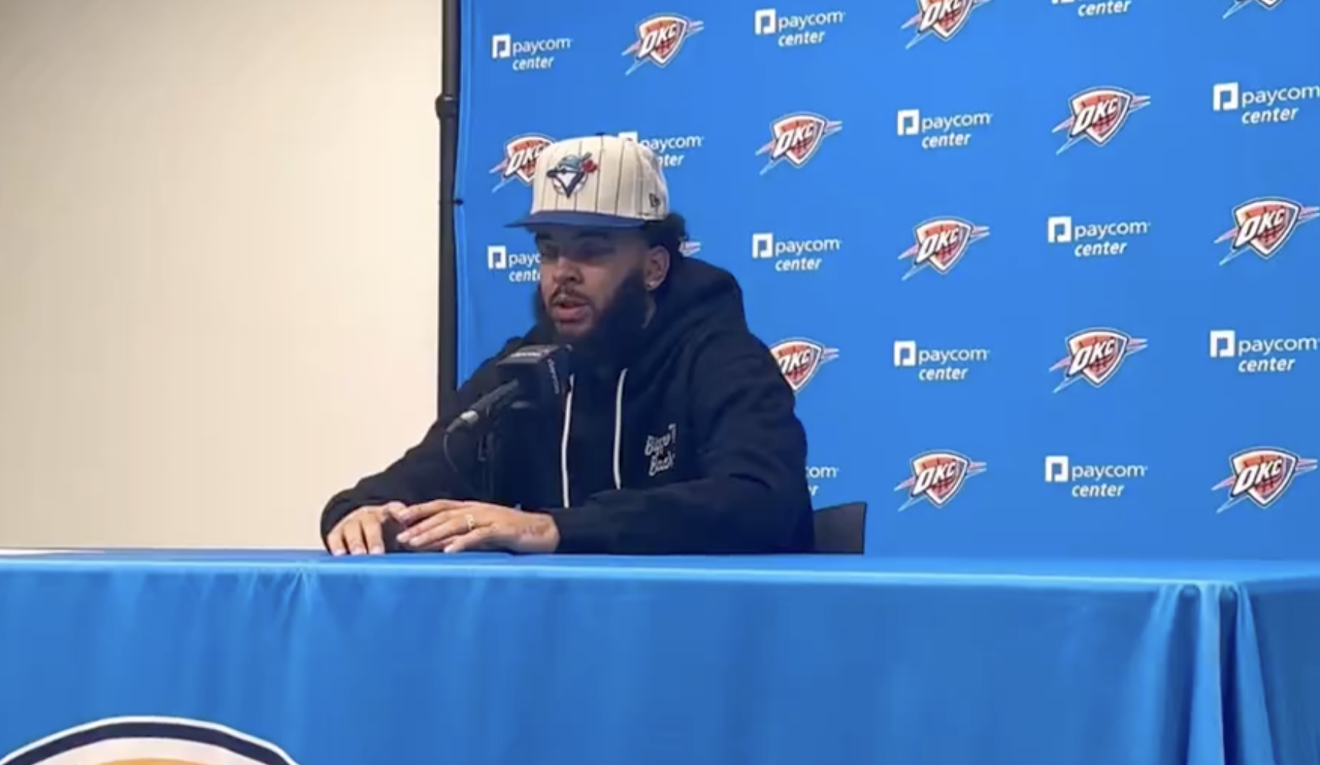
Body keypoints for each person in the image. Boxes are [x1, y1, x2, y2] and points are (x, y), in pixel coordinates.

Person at [321, 134, 814, 556]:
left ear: (653, 267)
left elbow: (763, 502)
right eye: (549, 250)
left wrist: (554, 528)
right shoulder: (527, 372)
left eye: (591, 250)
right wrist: (363, 513)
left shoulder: (720, 357)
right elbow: (421, 472)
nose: (563, 273)